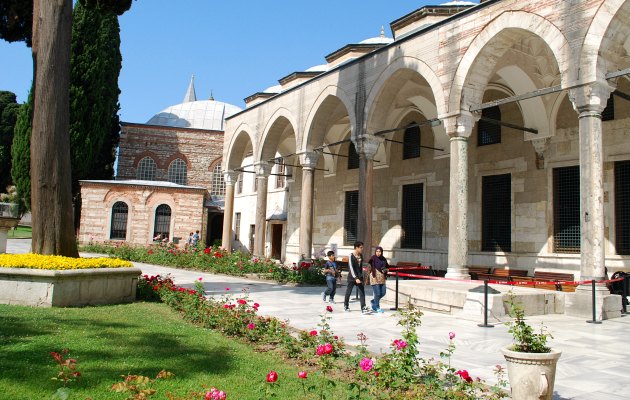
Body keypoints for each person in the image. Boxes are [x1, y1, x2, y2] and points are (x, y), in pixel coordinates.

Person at [344, 241, 370, 314]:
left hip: (359, 277)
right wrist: (355, 278)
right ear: (356, 247)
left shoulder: (361, 255)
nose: (362, 249)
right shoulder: (351, 256)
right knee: (348, 292)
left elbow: (360, 267)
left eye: (362, 247)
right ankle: (346, 305)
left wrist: (361, 276)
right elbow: (351, 268)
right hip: (352, 277)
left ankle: (363, 307)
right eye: (361, 247)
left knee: (362, 292)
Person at [367, 246, 389, 313]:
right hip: (374, 277)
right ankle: (377, 307)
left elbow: (387, 266)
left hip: (382, 278)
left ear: (382, 252)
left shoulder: (383, 259)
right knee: (378, 293)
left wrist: (386, 269)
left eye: (379, 251)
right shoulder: (373, 258)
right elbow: (369, 266)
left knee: (383, 292)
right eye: (377, 251)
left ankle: (373, 301)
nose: (378, 253)